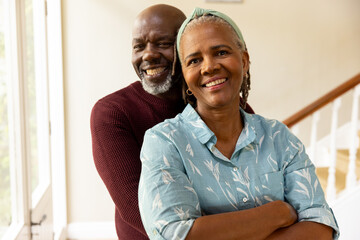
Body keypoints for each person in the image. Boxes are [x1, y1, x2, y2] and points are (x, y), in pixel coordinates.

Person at [138, 7, 339, 240]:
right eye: (194, 60)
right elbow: (175, 234)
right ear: (184, 74)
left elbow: (320, 227)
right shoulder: (164, 142)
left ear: (244, 60)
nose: (209, 66)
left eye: (221, 52)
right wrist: (278, 213)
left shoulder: (278, 137)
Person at [90, 4, 255, 239]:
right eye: (139, 46)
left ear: (186, 47)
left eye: (163, 44)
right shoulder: (112, 113)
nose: (148, 54)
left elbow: (257, 182)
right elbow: (144, 216)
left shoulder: (223, 102)